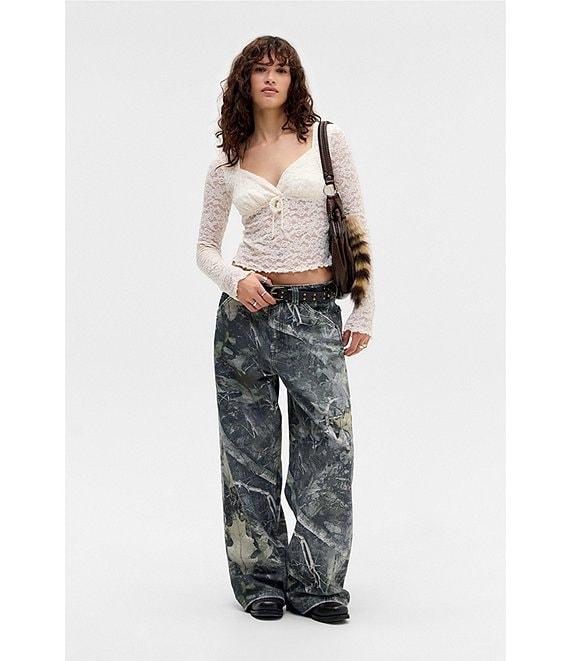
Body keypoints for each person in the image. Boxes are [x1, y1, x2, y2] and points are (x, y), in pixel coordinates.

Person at [196, 36, 375, 624]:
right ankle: (260, 581)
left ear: (295, 79)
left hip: (315, 312)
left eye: (281, 69)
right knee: (247, 455)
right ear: (244, 82)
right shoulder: (227, 162)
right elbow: (205, 248)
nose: (270, 78)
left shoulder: (327, 140)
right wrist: (236, 280)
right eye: (259, 70)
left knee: (329, 449)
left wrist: (364, 310)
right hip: (244, 318)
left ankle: (318, 584)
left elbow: (356, 225)